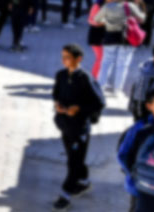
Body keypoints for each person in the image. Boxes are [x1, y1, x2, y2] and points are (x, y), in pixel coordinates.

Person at [51, 43, 105, 211]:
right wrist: (58, 105)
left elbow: (99, 102)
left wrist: (79, 109)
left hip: (80, 127)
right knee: (74, 158)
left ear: (78, 59)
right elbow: (56, 94)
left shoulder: (85, 78)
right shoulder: (61, 75)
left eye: (67, 57)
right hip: (65, 125)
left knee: (73, 162)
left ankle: (65, 195)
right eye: (63, 57)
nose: (64, 60)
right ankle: (84, 181)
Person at [117, 87, 154, 212]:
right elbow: (123, 155)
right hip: (140, 188)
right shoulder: (139, 128)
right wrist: (137, 176)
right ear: (149, 106)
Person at [94, 0, 145, 93]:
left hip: (110, 36)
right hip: (125, 39)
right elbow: (142, 18)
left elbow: (96, 19)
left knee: (106, 62)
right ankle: (117, 89)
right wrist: (142, 7)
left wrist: (108, 22)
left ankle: (101, 85)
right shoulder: (130, 6)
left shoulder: (107, 6)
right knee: (122, 65)